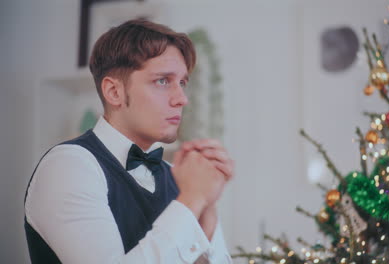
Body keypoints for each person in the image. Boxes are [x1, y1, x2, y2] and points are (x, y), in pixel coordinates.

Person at [24, 19, 234, 263]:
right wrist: (192, 200)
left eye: (183, 83)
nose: (182, 99)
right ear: (114, 92)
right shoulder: (68, 166)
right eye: (163, 81)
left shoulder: (179, 179)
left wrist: (206, 210)